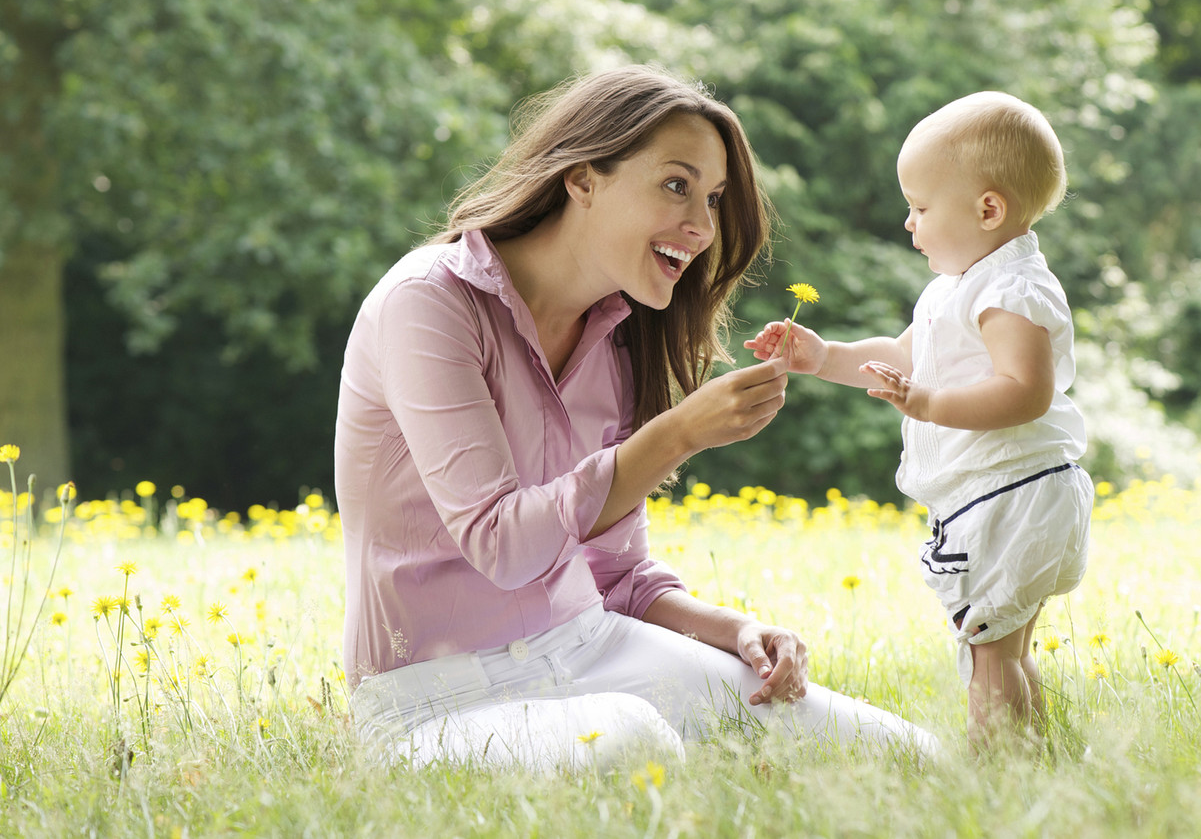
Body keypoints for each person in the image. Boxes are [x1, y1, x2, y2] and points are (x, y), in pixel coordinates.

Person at [335, 65, 937, 772]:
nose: (703, 227)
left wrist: (736, 630)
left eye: (712, 198)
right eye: (677, 185)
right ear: (584, 178)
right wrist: (676, 434)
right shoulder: (429, 303)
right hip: (435, 699)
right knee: (630, 740)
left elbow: (617, 578)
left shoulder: (617, 338)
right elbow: (500, 544)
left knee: (907, 758)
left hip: (591, 647)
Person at [746, 91, 1091, 747]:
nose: (909, 223)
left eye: (921, 207)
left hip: (1013, 493)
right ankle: (1033, 762)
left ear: (989, 209)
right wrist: (824, 356)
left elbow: (1024, 391)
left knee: (990, 651)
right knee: (1002, 648)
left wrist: (928, 403)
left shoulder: (1010, 290)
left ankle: (996, 775)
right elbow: (904, 357)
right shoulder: (958, 285)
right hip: (1004, 493)